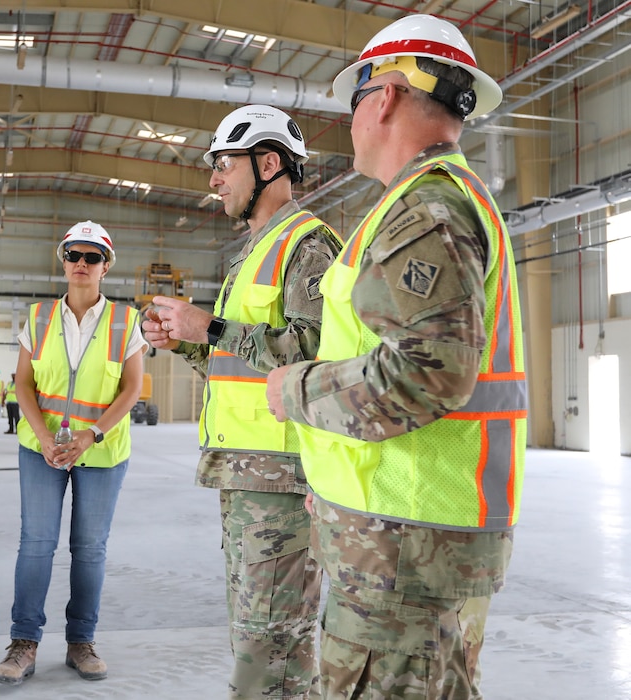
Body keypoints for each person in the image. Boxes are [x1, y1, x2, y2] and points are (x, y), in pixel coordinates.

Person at [264, 14, 525, 699]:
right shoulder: (424, 205)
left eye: (354, 102)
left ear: (381, 98)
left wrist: (293, 390)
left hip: (405, 545)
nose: (351, 122)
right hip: (404, 542)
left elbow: (425, 372)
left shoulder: (427, 211)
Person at [142, 105, 342, 699]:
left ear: (269, 162)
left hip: (282, 474)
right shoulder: (254, 252)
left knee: (271, 643)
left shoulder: (308, 245)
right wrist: (187, 341)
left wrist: (214, 329)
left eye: (223, 164)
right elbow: (237, 360)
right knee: (260, 635)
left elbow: (316, 351)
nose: (213, 179)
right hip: (249, 472)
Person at [0, 220, 146, 686]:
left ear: (105, 266)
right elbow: (23, 382)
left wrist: (91, 435)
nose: (81, 263)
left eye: (91, 257)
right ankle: (24, 643)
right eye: (73, 255)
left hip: (101, 449)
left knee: (89, 549)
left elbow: (132, 388)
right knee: (36, 544)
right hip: (41, 448)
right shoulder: (38, 317)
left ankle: (81, 641)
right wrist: (42, 437)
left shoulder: (126, 320)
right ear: (62, 260)